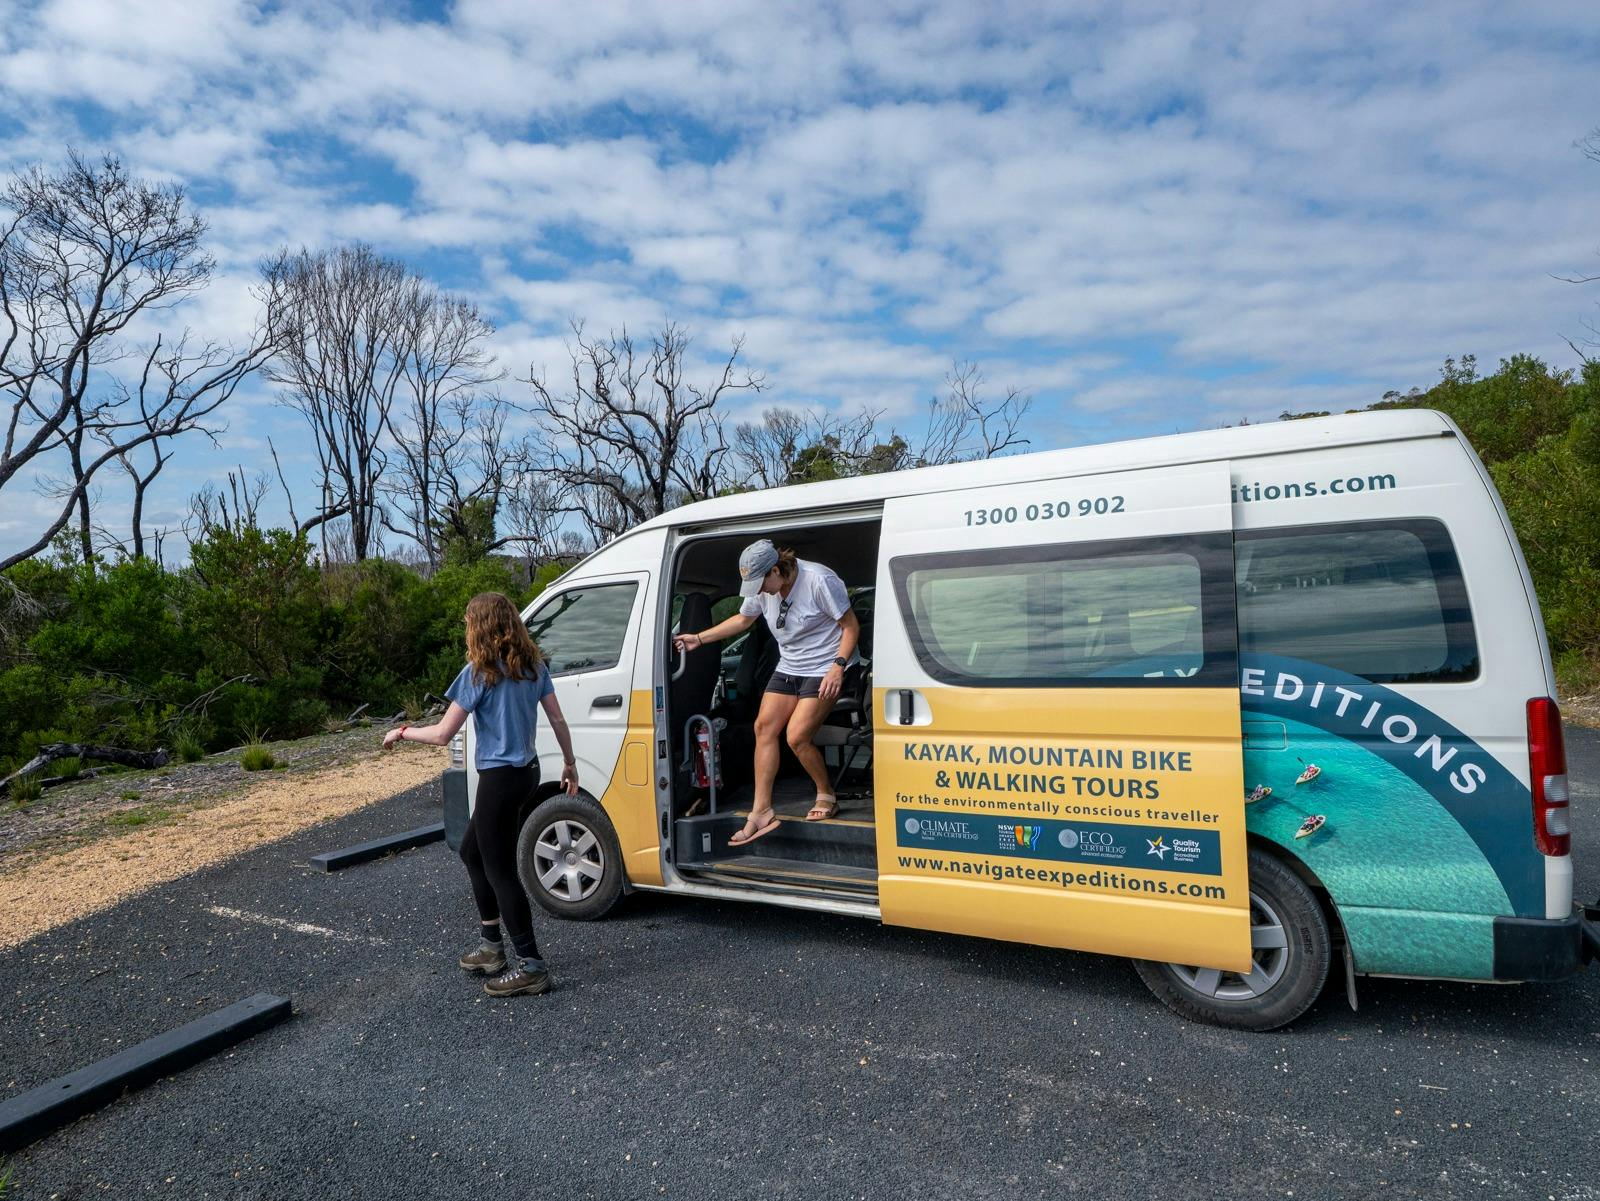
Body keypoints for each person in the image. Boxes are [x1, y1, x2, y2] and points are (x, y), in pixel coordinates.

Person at [383, 592, 578, 998]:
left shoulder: (479, 673)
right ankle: (492, 947)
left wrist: (402, 732)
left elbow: (441, 735)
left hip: (500, 779)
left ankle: (531, 965)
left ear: (480, 627)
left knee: (500, 868)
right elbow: (556, 717)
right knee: (473, 851)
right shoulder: (532, 665)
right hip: (528, 772)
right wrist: (570, 762)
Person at [674, 540, 859, 846]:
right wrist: (698, 638)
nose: (760, 592)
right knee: (763, 727)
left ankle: (826, 793)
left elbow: (851, 627)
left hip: (826, 665)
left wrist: (838, 667)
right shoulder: (763, 590)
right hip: (791, 666)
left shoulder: (818, 580)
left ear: (777, 570)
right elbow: (743, 620)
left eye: (762, 584)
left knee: (796, 736)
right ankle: (761, 811)